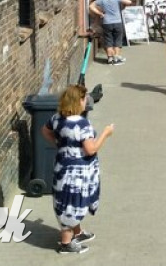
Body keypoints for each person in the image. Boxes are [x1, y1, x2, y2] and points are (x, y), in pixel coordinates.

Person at [41, 85, 114, 254]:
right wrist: (106, 133)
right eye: (84, 99)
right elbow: (91, 149)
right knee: (71, 203)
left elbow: (44, 131)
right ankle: (66, 244)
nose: (85, 101)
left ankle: (78, 233)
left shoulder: (56, 118)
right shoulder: (82, 124)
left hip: (62, 166)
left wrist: (60, 146)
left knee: (68, 200)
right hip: (77, 173)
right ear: (78, 101)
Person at [88, 0, 132, 65]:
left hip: (106, 22)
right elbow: (129, 2)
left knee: (108, 41)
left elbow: (91, 6)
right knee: (117, 40)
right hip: (117, 22)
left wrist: (100, 13)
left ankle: (110, 59)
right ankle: (116, 57)